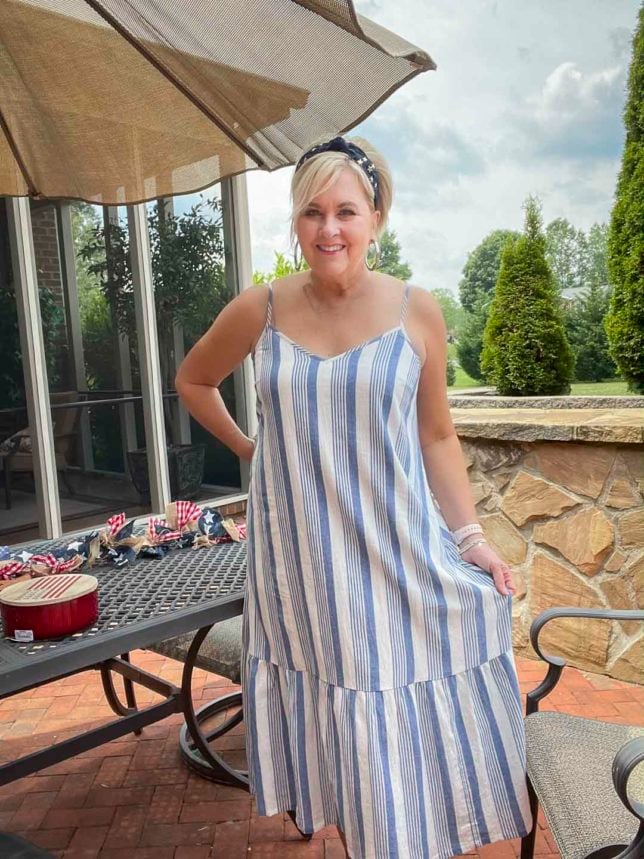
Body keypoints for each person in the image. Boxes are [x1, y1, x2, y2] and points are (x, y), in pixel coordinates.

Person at [175, 135, 533, 859]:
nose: (329, 229)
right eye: (312, 212)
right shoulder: (262, 309)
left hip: (395, 550)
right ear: (296, 223)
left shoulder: (416, 311)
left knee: (388, 696)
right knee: (338, 705)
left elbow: (437, 438)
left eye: (346, 210)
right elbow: (193, 379)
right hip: (301, 566)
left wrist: (471, 539)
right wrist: (253, 449)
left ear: (376, 218)